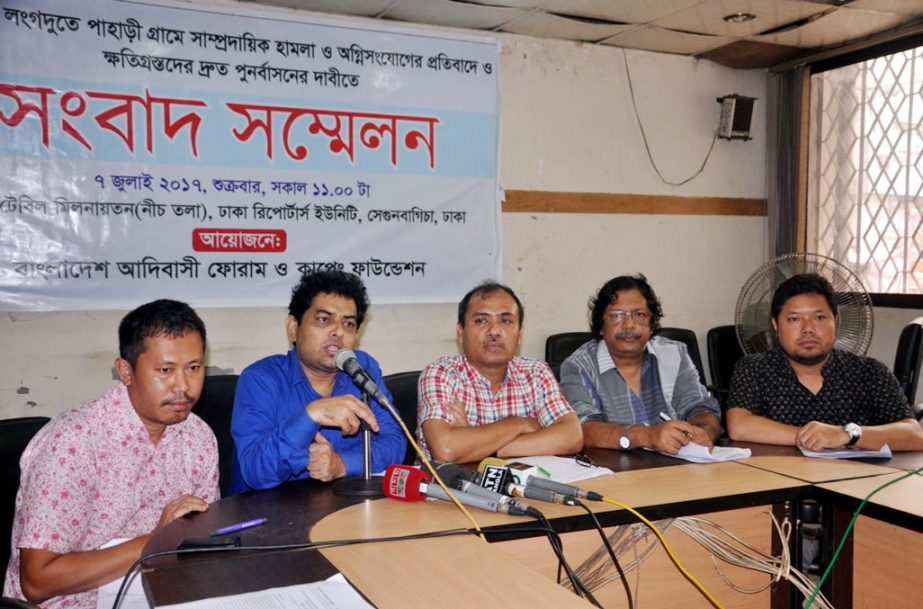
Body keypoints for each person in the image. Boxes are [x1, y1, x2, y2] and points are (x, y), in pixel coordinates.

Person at [3, 300, 218, 608]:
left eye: (194, 368)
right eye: (165, 370)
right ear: (126, 371)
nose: (183, 386)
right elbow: (38, 582)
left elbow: (198, 546)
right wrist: (155, 541)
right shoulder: (72, 442)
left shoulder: (198, 437)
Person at [230, 270, 405, 493]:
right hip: (267, 516)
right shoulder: (260, 380)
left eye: (348, 324)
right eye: (324, 319)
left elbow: (394, 442)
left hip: (344, 511)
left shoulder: (363, 368)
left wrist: (343, 464)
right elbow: (256, 472)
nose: (338, 331)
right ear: (293, 328)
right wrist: (311, 414)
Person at [727, 273, 923, 451]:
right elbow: (739, 425)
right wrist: (813, 437)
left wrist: (845, 435)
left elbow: (914, 434)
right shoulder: (754, 368)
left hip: (854, 482)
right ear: (775, 325)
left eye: (819, 317)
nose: (808, 329)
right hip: (780, 482)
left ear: (835, 321)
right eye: (794, 319)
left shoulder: (869, 371)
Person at [418, 281, 582, 463]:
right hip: (451, 489)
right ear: (460, 331)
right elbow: (447, 449)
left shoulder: (536, 372)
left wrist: (477, 445)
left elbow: (571, 436)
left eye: (506, 321)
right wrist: (520, 424)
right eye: (481, 321)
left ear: (519, 335)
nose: (494, 331)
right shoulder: (441, 374)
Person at [560, 274, 721, 454]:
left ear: (651, 325)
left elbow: (701, 409)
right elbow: (582, 429)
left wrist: (703, 431)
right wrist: (647, 436)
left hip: (678, 465)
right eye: (617, 315)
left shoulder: (674, 354)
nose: (629, 325)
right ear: (600, 325)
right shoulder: (579, 366)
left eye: (639, 314)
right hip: (616, 471)